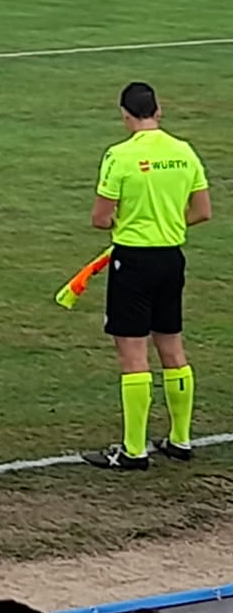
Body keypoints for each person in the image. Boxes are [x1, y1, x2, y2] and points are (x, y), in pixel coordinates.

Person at [82, 81, 210, 471]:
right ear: (160, 110)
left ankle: (134, 450)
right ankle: (181, 439)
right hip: (171, 259)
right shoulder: (184, 152)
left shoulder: (119, 156)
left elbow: (101, 219)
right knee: (172, 348)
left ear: (124, 115)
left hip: (133, 262)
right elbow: (203, 211)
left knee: (133, 356)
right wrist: (168, 223)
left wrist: (135, 225)